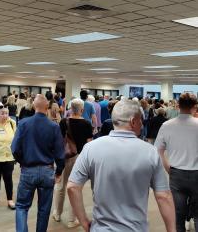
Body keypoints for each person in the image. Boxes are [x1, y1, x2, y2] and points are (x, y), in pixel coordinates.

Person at [67, 99, 176, 232]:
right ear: (133, 121)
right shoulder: (150, 152)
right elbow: (163, 196)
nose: (142, 124)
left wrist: (83, 221)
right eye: (140, 120)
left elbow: (72, 187)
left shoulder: (90, 148)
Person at [11, 94, 65, 232]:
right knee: (44, 209)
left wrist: (22, 162)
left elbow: (15, 148)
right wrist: (58, 172)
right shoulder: (54, 126)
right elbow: (60, 154)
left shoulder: (23, 123)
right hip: (47, 171)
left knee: (22, 206)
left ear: (34, 106)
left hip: (28, 169)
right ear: (47, 107)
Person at [155, 93, 198, 232]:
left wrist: (168, 168)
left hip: (176, 174)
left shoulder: (166, 125)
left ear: (178, 106)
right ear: (195, 106)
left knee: (178, 215)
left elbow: (157, 151)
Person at [52, 98, 93, 228]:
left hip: (64, 157)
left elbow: (58, 140)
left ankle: (57, 214)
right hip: (79, 158)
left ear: (70, 109)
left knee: (60, 186)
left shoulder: (64, 122)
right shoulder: (87, 124)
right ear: (82, 110)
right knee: (75, 188)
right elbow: (89, 144)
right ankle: (71, 220)